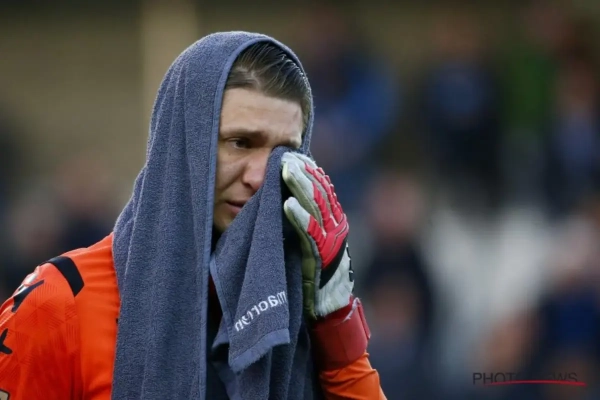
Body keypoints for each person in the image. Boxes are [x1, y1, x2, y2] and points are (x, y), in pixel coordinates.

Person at [0, 32, 385, 399]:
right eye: (240, 142)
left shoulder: (302, 310)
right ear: (183, 144)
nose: (260, 177)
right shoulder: (59, 303)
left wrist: (336, 325)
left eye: (284, 152)